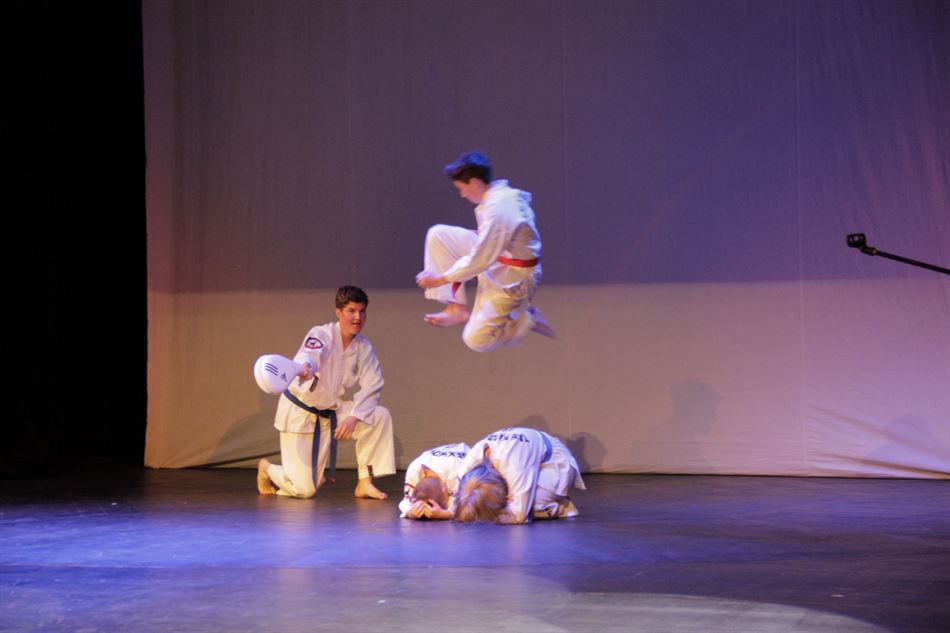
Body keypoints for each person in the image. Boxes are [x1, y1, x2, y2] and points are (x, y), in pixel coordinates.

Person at [257, 286, 394, 500]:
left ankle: (365, 482)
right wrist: (306, 367)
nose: (357, 317)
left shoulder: (364, 348)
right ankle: (267, 469)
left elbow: (373, 385)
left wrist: (354, 417)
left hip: (330, 413)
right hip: (301, 414)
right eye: (351, 311)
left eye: (362, 311)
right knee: (305, 489)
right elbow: (309, 355)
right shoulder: (321, 334)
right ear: (338, 312)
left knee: (378, 416)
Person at [415, 151, 555, 352]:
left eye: (462, 189)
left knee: (476, 340)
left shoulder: (500, 208)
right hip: (498, 258)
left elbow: (480, 260)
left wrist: (440, 279)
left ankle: (525, 320)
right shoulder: (495, 196)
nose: (462, 195)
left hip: (514, 278)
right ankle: (457, 308)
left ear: (475, 183)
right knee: (438, 235)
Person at [453, 426, 585, 524]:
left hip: (555, 461)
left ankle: (562, 508)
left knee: (530, 505)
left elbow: (519, 515)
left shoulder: (514, 466)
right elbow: (459, 503)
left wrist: (490, 515)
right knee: (478, 503)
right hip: (524, 456)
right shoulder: (467, 466)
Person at [398, 441, 470, 519]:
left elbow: (468, 508)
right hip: (444, 455)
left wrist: (443, 514)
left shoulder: (459, 474)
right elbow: (406, 501)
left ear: (444, 489)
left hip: (465, 457)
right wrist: (411, 512)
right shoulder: (414, 469)